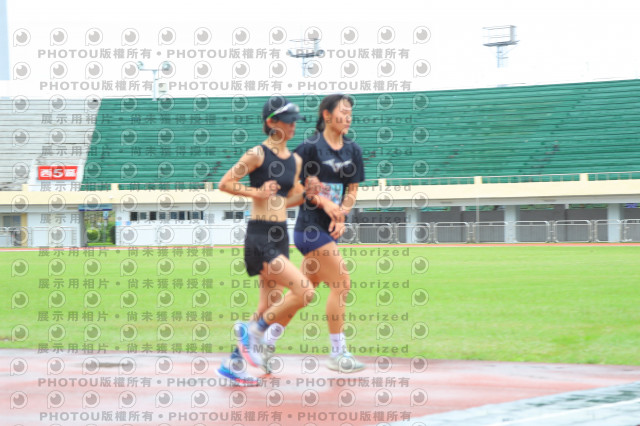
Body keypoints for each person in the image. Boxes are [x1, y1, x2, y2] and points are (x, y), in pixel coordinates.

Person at [215, 96, 317, 385]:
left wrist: (308, 193)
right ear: (272, 122)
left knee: (266, 306)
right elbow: (225, 183)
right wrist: (255, 193)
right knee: (305, 291)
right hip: (260, 235)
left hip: (281, 234)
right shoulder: (257, 154)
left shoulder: (295, 160)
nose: (293, 125)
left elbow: (289, 199)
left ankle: (233, 364)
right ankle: (254, 331)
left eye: (295, 121)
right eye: (288, 120)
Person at [293, 94, 366, 372]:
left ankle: (262, 337)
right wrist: (323, 202)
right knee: (342, 284)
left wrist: (342, 214)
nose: (348, 117)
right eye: (343, 112)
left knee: (303, 293)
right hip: (310, 228)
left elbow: (352, 190)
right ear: (326, 115)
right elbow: (293, 184)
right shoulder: (309, 148)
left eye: (351, 114)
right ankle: (338, 353)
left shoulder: (353, 150)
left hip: (330, 231)